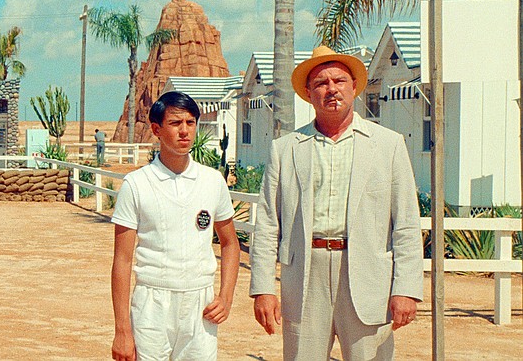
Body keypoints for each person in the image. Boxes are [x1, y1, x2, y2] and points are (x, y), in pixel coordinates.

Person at [249, 45, 423, 360]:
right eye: (321, 83)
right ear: (308, 92)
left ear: (354, 87)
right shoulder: (285, 149)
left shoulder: (388, 145)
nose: (331, 89)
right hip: (305, 276)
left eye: (340, 81)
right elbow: (266, 225)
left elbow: (407, 225)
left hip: (368, 277)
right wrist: (262, 288)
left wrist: (406, 288)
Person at [110, 91, 240, 361]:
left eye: (190, 123)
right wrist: (122, 329)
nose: (184, 131)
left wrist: (225, 296)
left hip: (200, 303)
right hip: (152, 302)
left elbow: (230, 243)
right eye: (175, 123)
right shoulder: (136, 185)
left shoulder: (212, 181)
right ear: (157, 129)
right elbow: (122, 260)